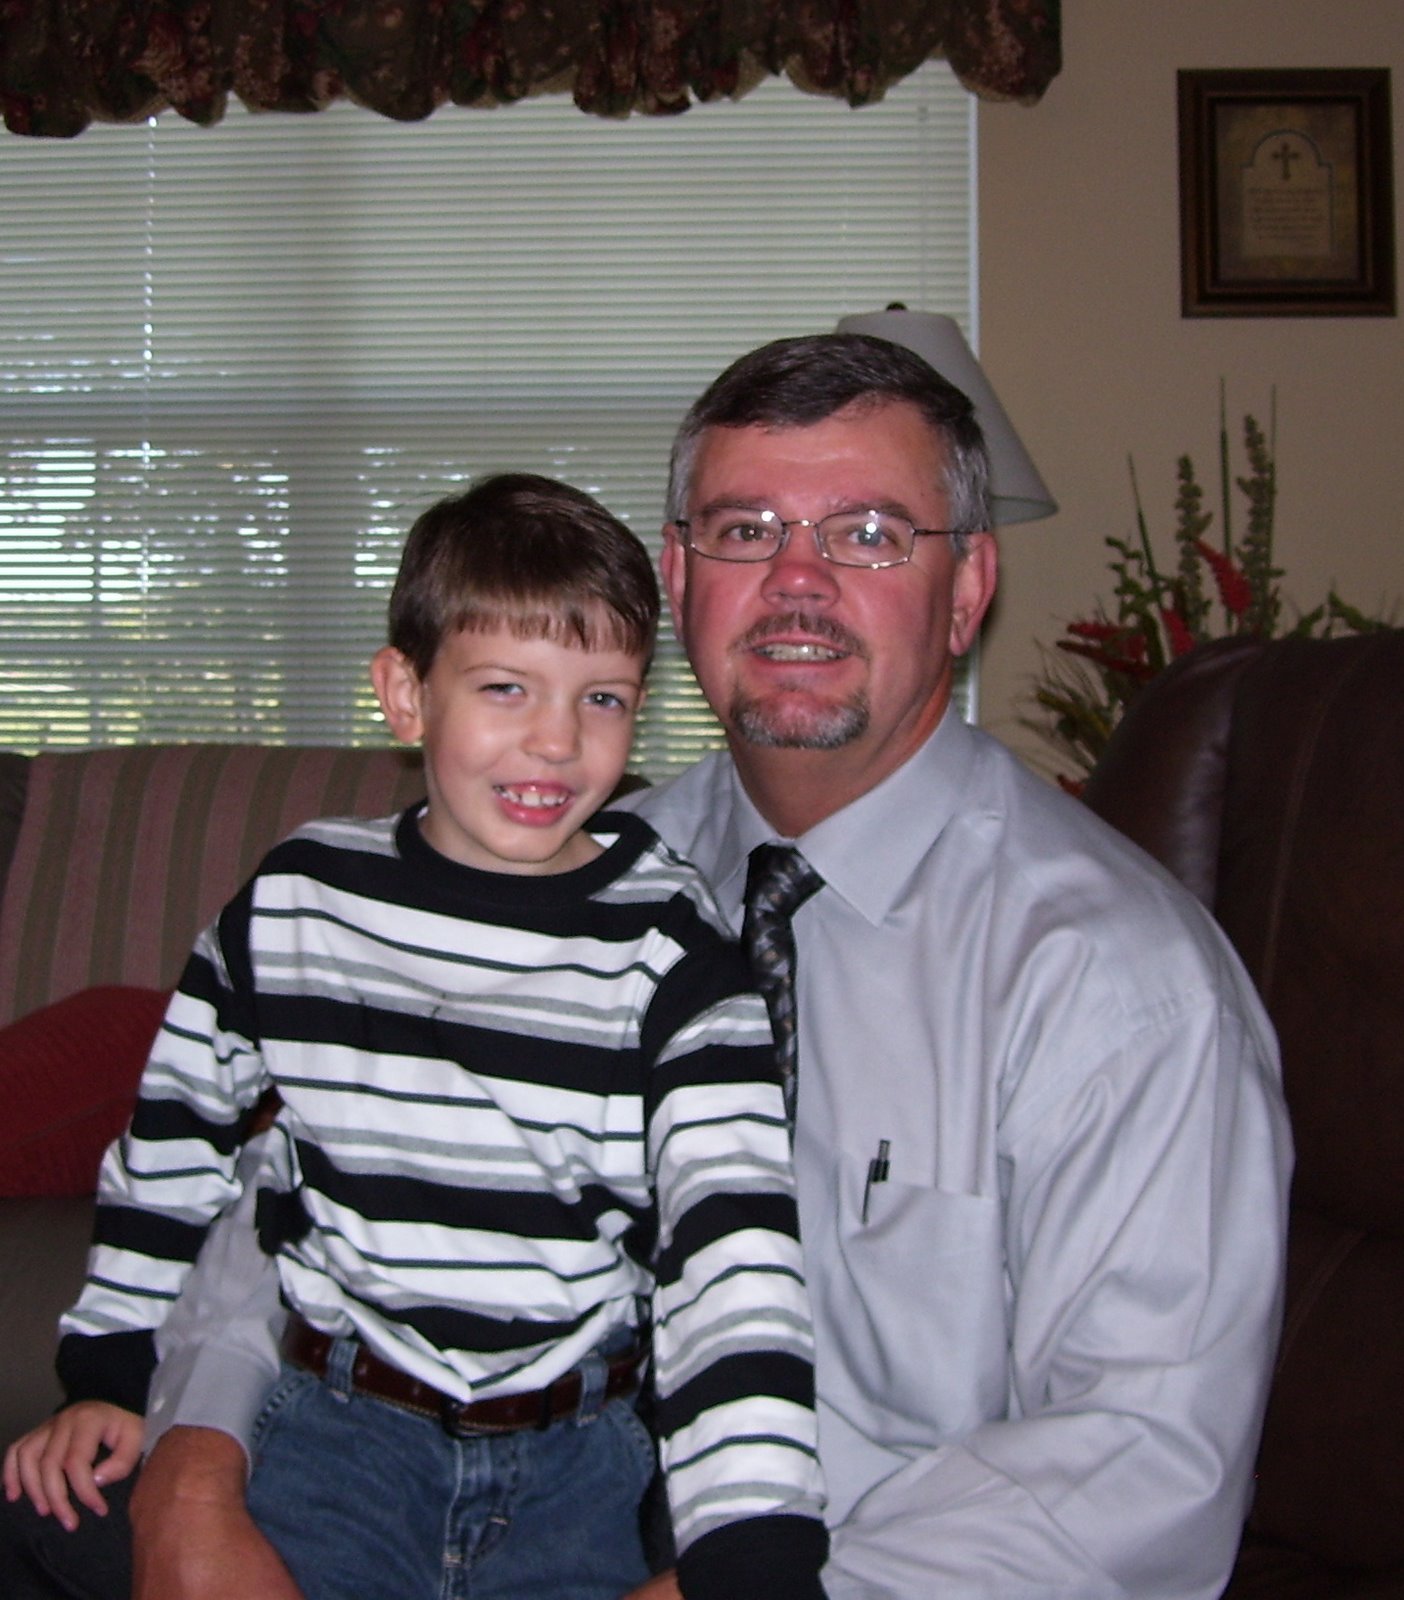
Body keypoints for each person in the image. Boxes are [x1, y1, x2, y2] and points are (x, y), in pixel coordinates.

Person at [68, 332, 1291, 1600]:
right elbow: (321, 1158)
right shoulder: (569, 872)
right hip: (427, 1485)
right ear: (678, 572)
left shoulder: (1123, 987)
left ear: (968, 585)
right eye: (745, 530)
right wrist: (195, 1455)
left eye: (870, 533)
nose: (798, 580)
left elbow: (1145, 1462)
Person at [1, 473, 828, 1600]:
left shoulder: (675, 947)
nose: (556, 741)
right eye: (506, 687)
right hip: (339, 1431)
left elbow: (735, 1247)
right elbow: (173, 1144)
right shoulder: (299, 903)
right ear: (405, 695)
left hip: (579, 1455)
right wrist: (106, 1371)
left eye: (603, 699)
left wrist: (754, 1545)